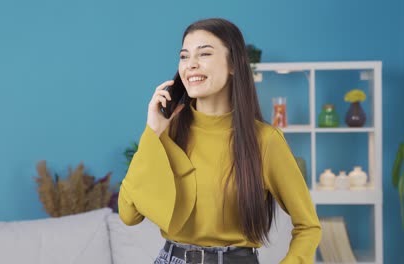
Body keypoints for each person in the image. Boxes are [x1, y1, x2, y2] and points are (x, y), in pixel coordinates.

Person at [118, 18, 321, 264]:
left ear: (233, 64)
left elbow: (309, 226)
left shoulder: (265, 141)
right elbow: (129, 215)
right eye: (184, 56)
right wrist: (152, 133)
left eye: (204, 54)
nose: (191, 64)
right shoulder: (167, 133)